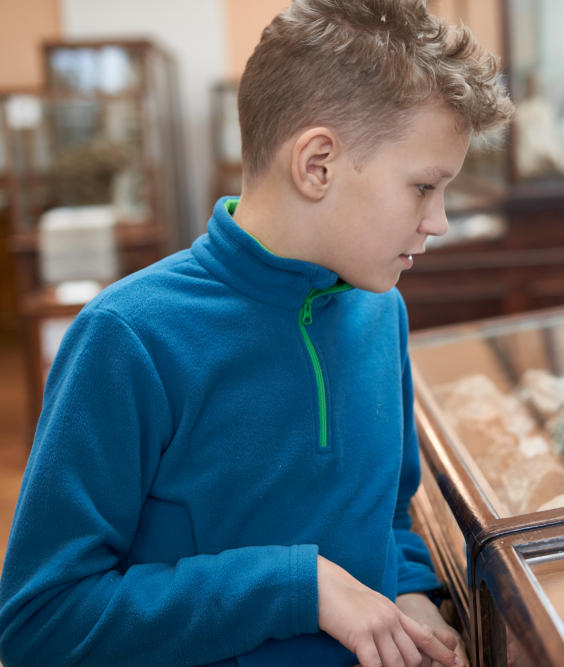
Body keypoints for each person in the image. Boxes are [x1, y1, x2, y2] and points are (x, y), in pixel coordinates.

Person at [0, 1, 513, 665]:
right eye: (423, 187)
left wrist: (412, 594)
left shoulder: (381, 310)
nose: (438, 220)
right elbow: (40, 621)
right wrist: (297, 586)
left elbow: (390, 511)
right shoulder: (128, 337)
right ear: (317, 164)